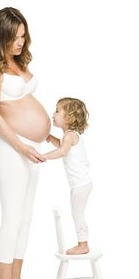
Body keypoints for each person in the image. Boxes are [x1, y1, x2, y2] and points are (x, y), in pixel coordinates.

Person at [0, 7, 51, 279]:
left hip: (30, 149)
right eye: (14, 37)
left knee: (25, 218)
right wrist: (22, 146)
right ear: (1, 35)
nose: (20, 42)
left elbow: (22, 101)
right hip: (11, 148)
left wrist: (46, 134)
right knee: (11, 218)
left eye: (23, 36)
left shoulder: (17, 60)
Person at [44, 97, 92, 255]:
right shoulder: (69, 136)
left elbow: (62, 151)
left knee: (77, 213)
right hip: (80, 184)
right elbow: (62, 146)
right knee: (77, 212)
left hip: (80, 185)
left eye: (57, 111)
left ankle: (83, 245)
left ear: (69, 117)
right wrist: (51, 139)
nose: (54, 113)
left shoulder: (70, 136)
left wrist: (43, 156)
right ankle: (82, 243)